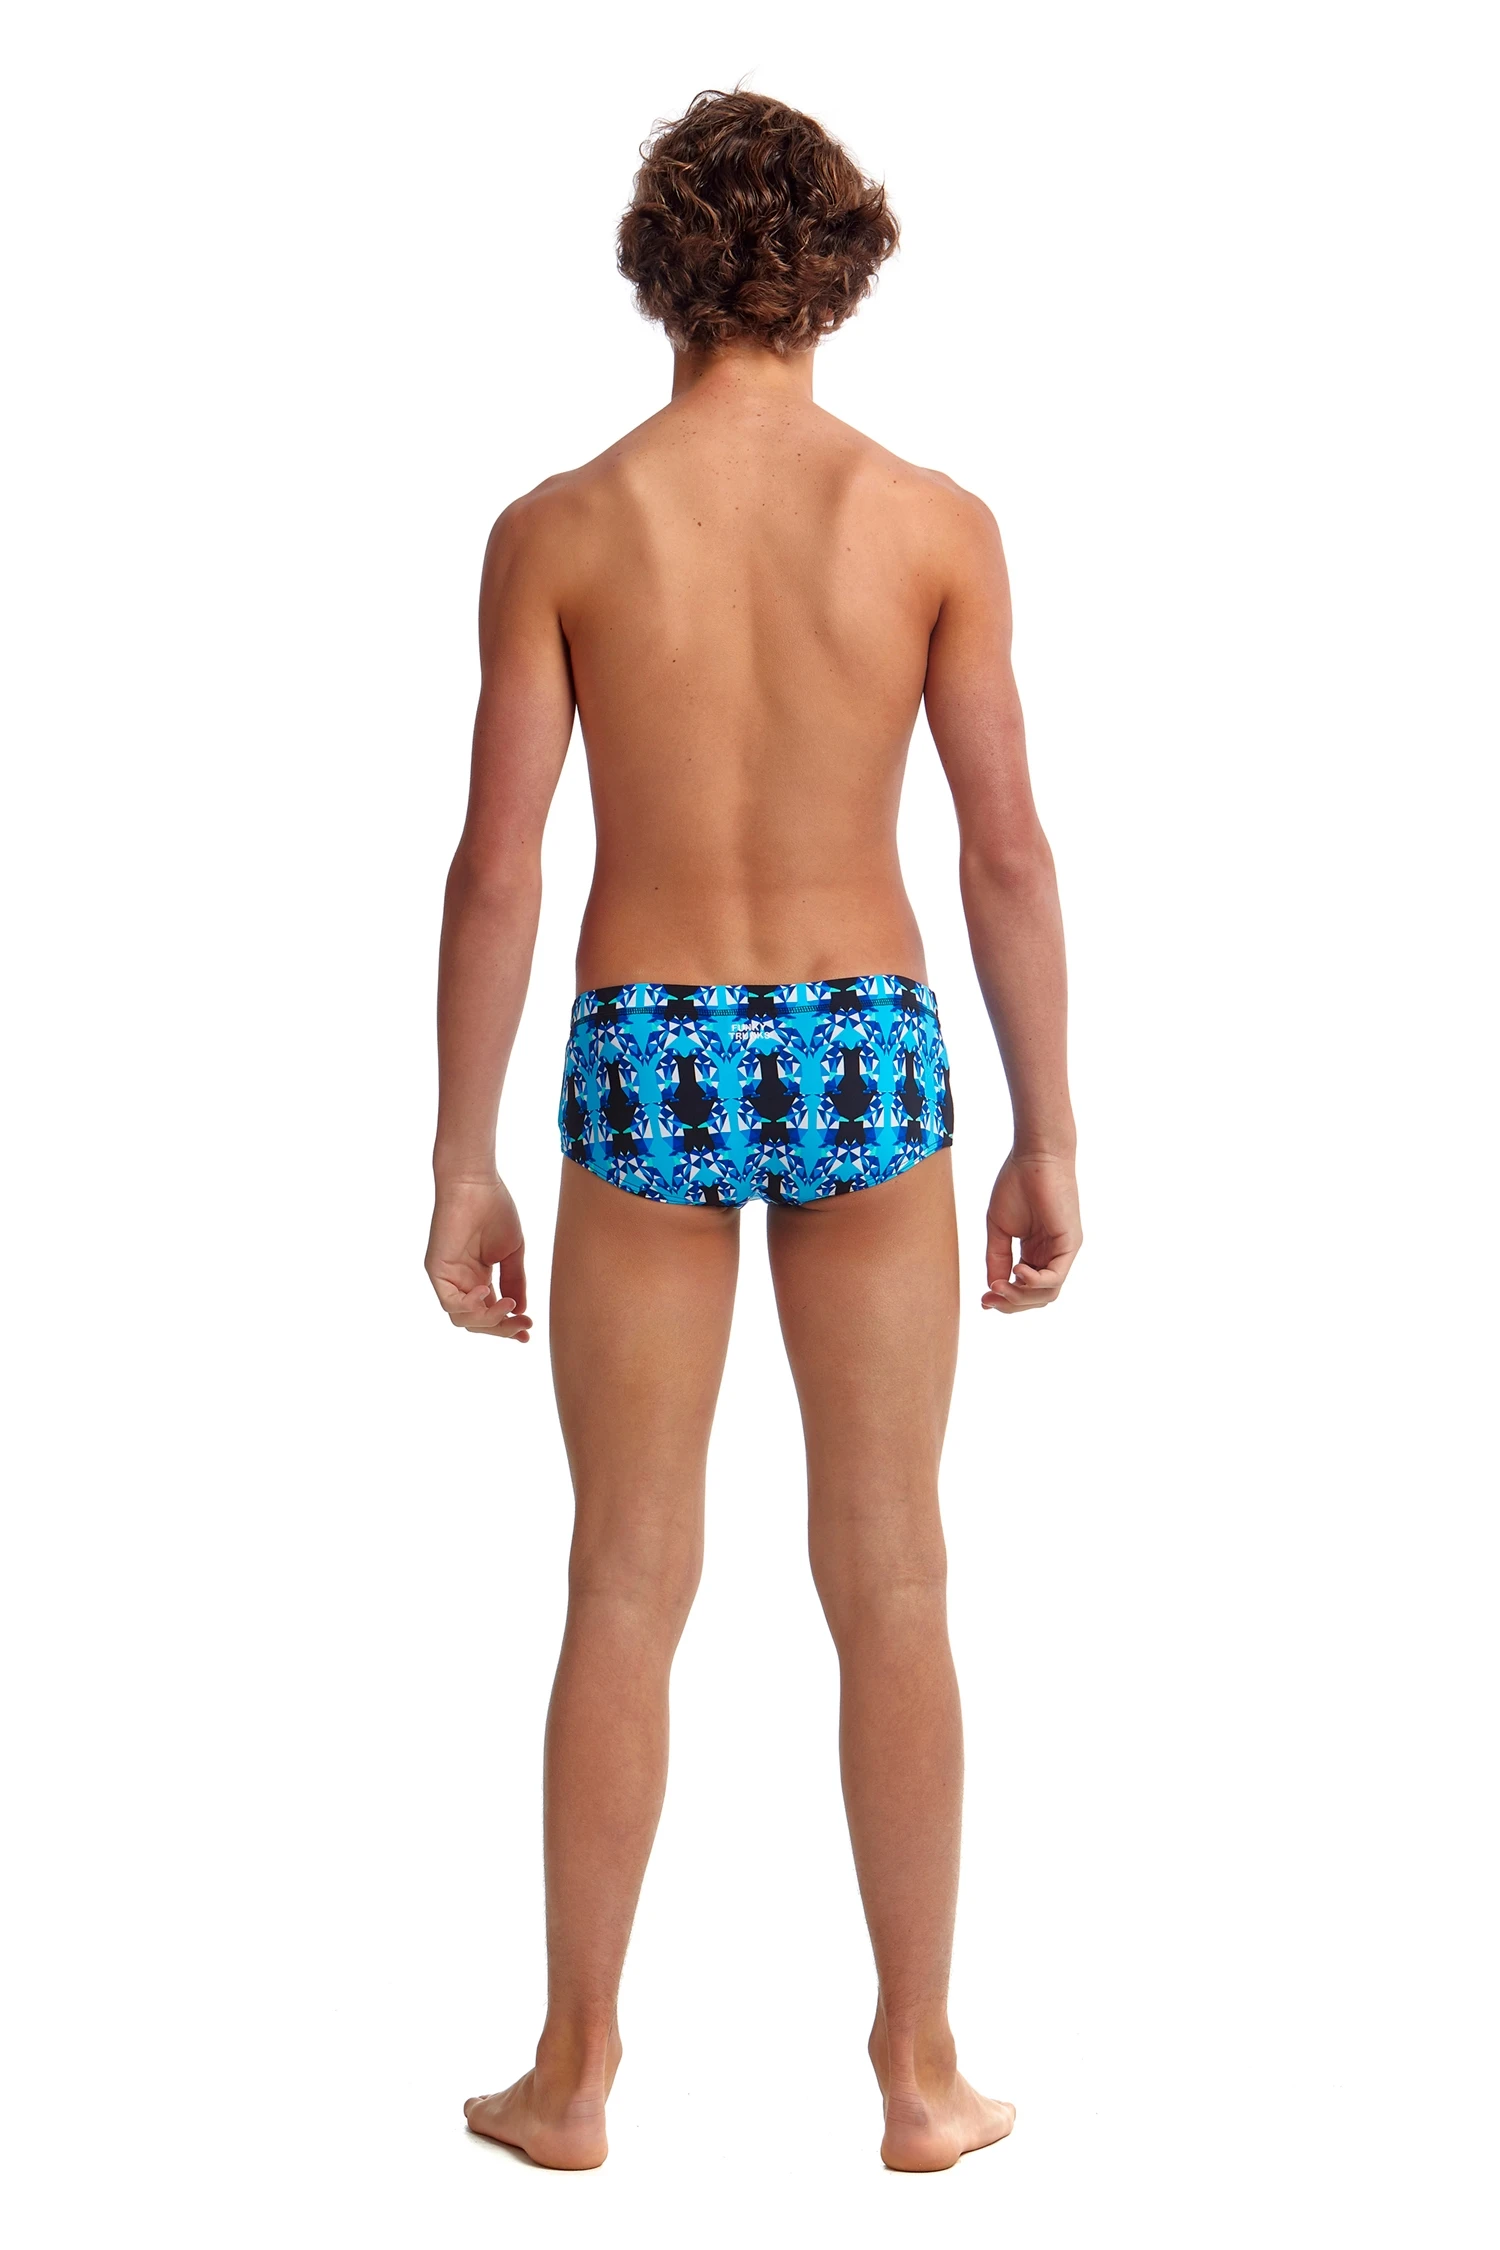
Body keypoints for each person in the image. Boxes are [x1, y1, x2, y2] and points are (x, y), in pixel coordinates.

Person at [425, 87, 1081, 2173]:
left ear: (659, 269)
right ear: (842, 266)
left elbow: (499, 869)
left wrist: (462, 1155)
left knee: (625, 1578)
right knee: (893, 1570)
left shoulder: (562, 527)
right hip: (862, 1041)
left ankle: (572, 2076)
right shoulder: (927, 523)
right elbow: (1005, 856)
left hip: (648, 1044)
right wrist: (1049, 1129)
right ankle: (920, 2074)